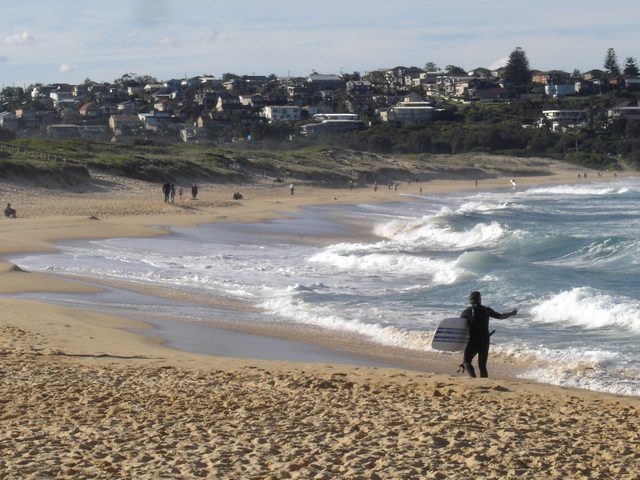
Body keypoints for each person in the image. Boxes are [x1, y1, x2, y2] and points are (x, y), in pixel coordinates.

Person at [460, 291, 517, 378]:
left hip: (473, 341)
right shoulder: (486, 310)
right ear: (479, 299)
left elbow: (460, 325)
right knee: (482, 366)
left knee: (467, 361)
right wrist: (511, 313)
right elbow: (500, 316)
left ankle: (473, 378)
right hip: (485, 341)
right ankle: (484, 382)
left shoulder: (466, 312)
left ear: (470, 300)